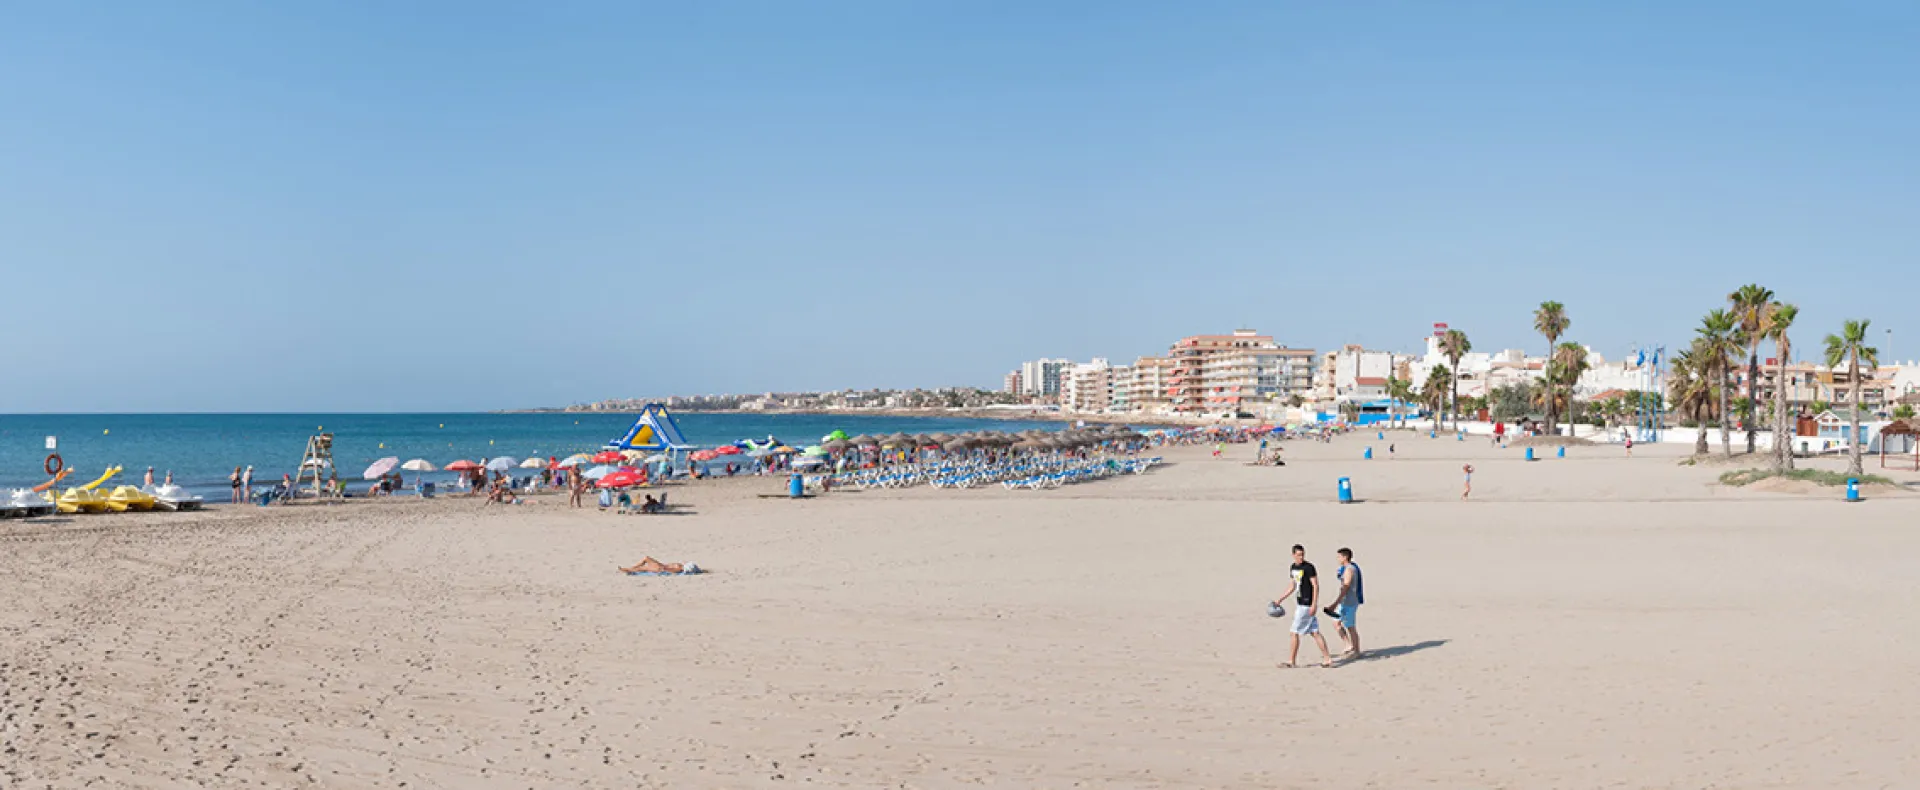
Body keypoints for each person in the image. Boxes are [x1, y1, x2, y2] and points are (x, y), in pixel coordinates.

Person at [1274, 544, 1333, 668]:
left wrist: (1314, 604)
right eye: (1298, 555)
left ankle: (1291, 661)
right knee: (1315, 632)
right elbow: (1292, 585)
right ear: (1293, 555)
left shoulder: (1309, 567)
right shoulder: (1293, 567)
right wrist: (1280, 599)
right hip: (1300, 603)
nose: (1301, 557)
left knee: (1294, 632)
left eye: (1302, 554)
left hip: (1306, 605)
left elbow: (1315, 585)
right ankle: (1327, 659)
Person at [1326, 548, 1364, 659]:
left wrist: (1335, 603)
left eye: (1339, 557)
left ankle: (1357, 651)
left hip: (1349, 602)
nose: (1338, 559)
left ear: (1345, 557)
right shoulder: (1345, 568)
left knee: (1350, 626)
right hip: (1343, 602)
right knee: (1336, 622)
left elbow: (1346, 587)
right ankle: (1348, 645)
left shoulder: (1350, 570)